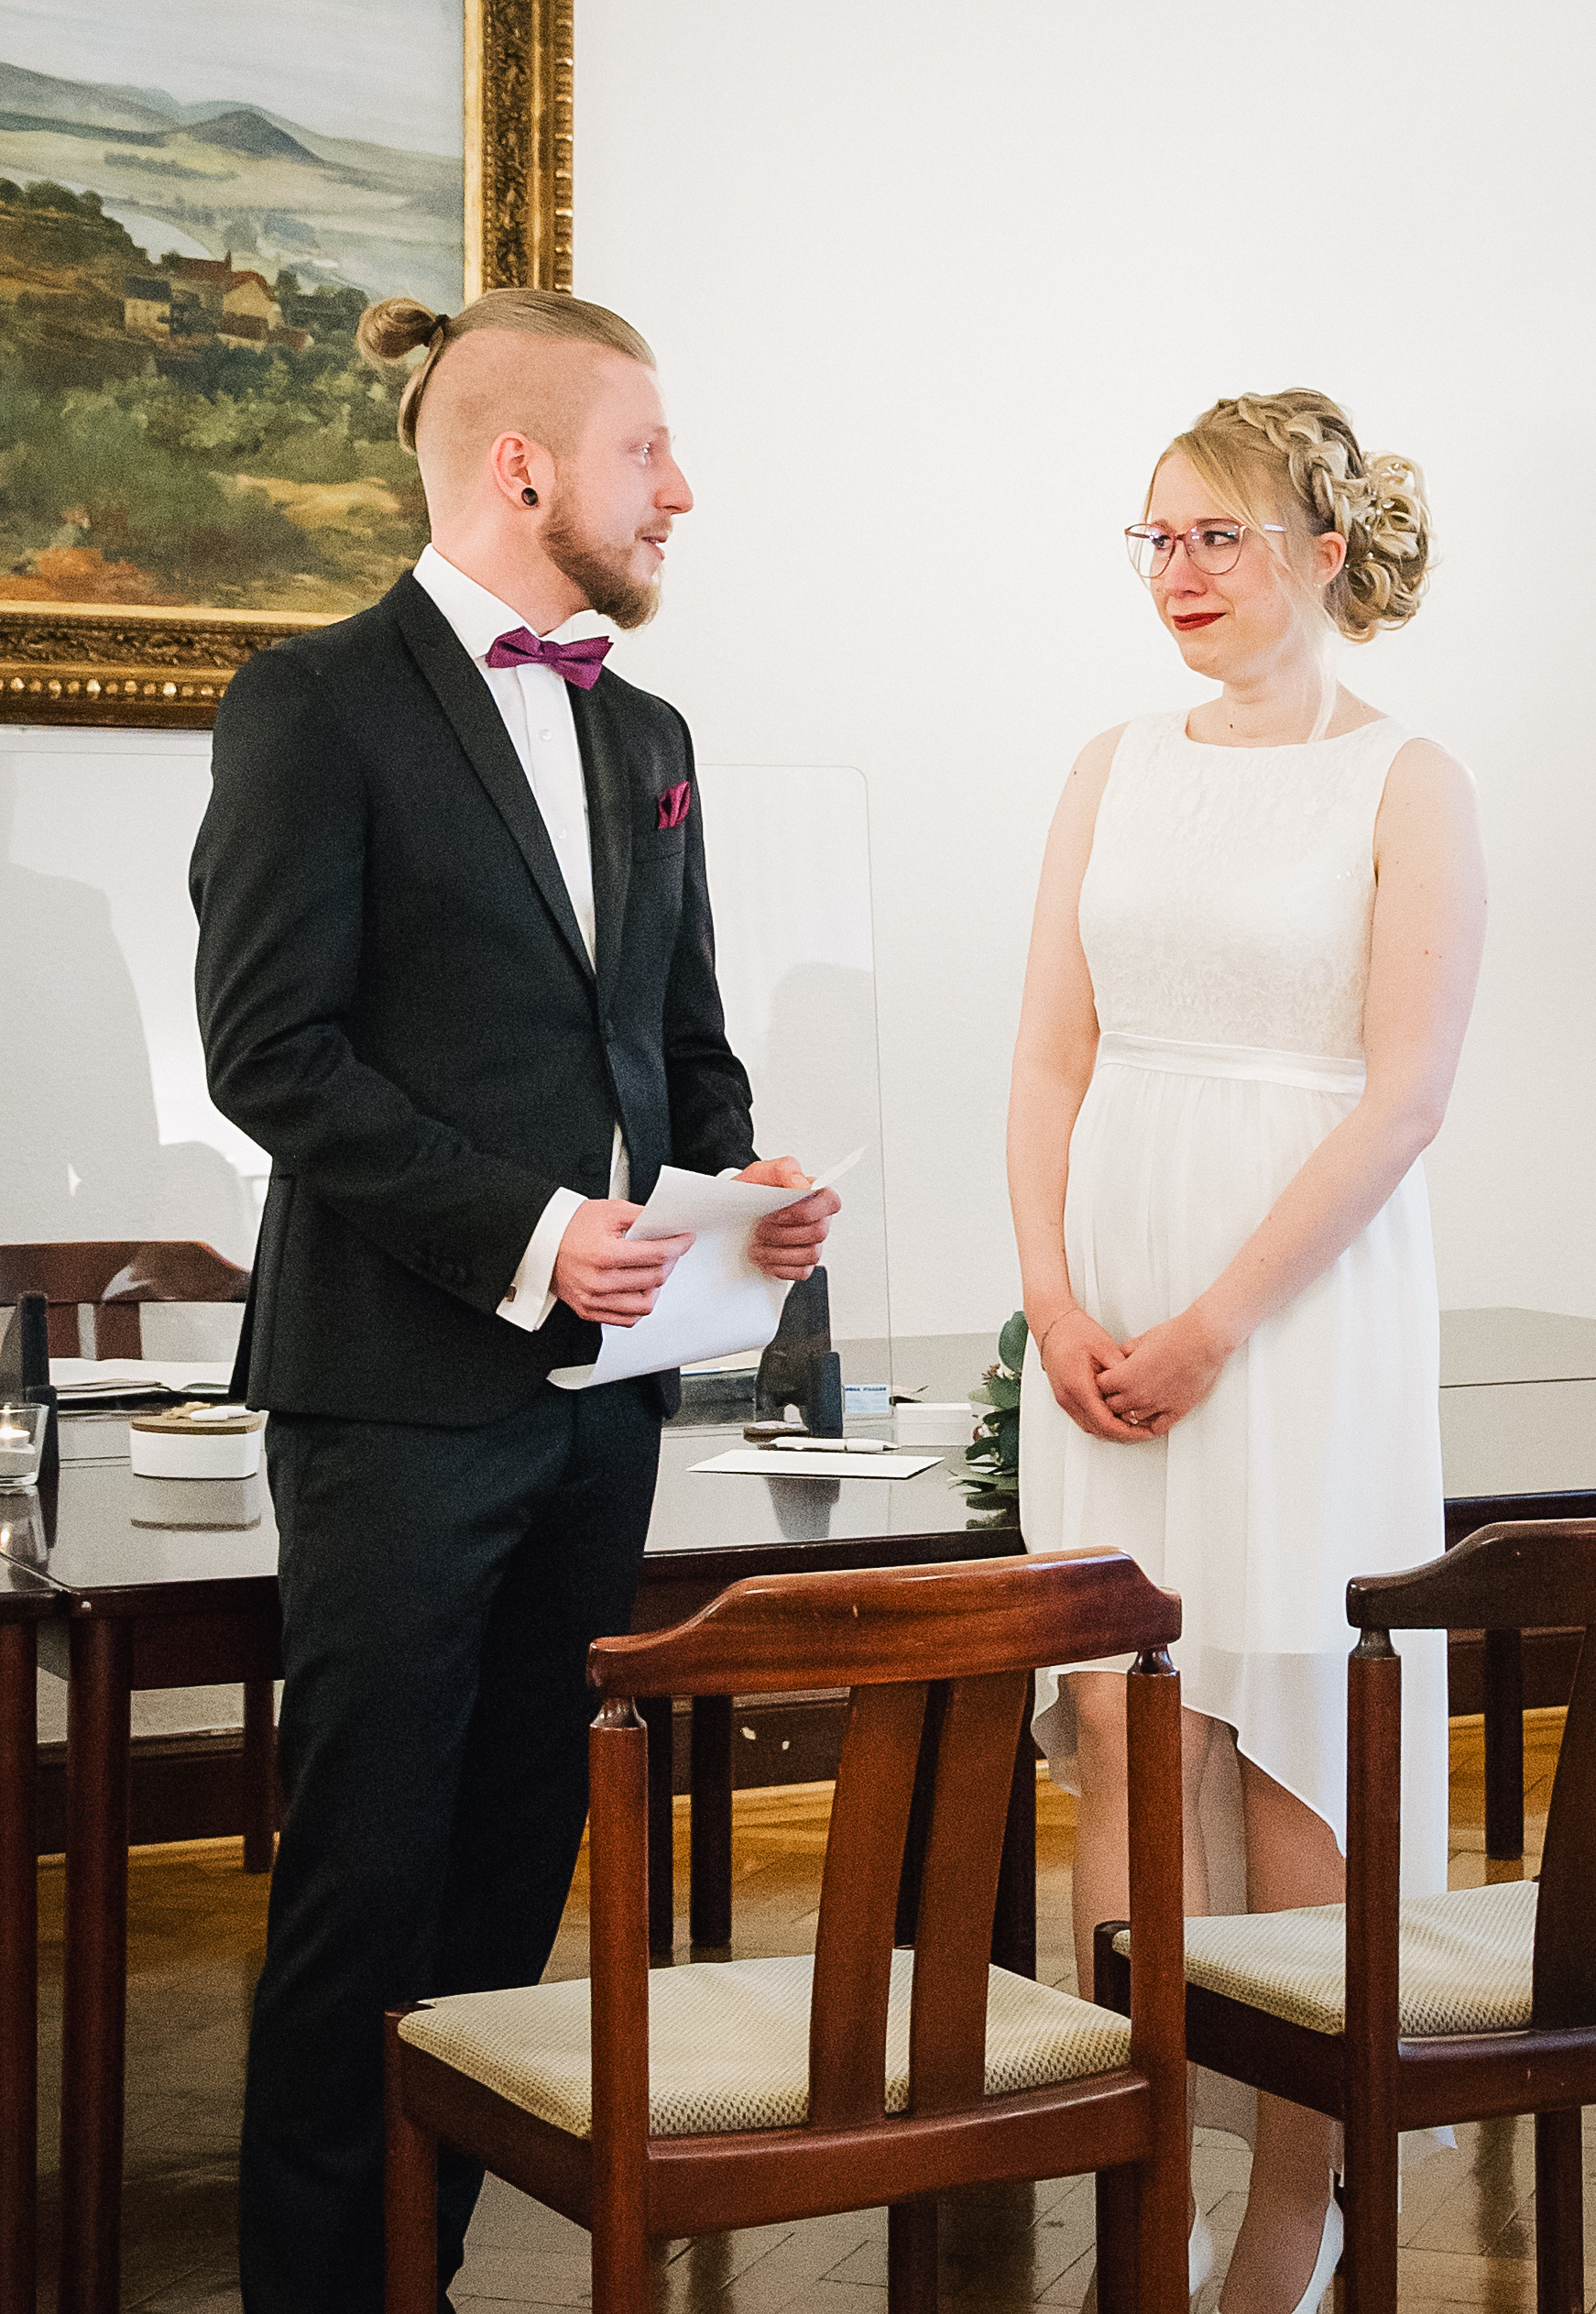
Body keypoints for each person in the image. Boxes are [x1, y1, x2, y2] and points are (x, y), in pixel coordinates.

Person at [190, 285, 840, 2314]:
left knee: (509, 1879)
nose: (682, 493)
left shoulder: (647, 734)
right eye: (651, 452)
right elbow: (271, 1056)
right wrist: (532, 1231)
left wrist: (744, 1188)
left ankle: (428, 2270)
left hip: (601, 1410)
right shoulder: (313, 703)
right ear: (523, 465)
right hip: (393, 1398)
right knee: (365, 1890)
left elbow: (679, 1042)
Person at [1008, 390, 1485, 2314]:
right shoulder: (1108, 764)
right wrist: (1050, 1297)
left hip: (1297, 1319)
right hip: (1105, 1317)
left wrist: (1215, 1323)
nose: (1179, 572)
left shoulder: (1408, 782)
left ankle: (1298, 2202)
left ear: (1323, 552)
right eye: (1157, 537)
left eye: (1218, 535)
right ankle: (1148, 2198)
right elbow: (1049, 1056)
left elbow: (1402, 1097)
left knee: (1295, 1740)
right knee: (1132, 1746)